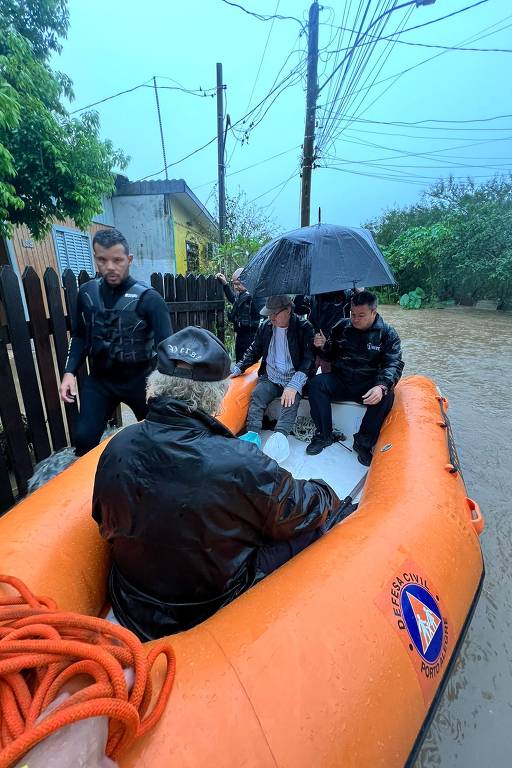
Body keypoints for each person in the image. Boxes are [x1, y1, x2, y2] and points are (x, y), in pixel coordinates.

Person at [92, 326, 341, 640]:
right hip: (206, 607)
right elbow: (303, 508)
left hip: (129, 601)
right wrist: (326, 490)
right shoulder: (242, 463)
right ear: (217, 393)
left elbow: (104, 521)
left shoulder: (118, 445)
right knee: (313, 525)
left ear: (157, 383)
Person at [59, 228, 172, 456]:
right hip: (101, 381)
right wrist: (69, 372)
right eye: (102, 259)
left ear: (129, 260)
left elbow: (166, 349)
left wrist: (161, 386)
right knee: (83, 439)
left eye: (117, 260)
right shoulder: (87, 294)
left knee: (161, 439)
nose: (110, 266)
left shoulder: (150, 299)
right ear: (95, 259)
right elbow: (80, 335)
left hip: (141, 381)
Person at [306, 290, 403, 465]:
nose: (355, 319)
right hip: (341, 380)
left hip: (367, 385)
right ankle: (324, 434)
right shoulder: (341, 327)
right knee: (316, 384)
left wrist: (381, 386)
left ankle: (363, 442)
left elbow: (394, 364)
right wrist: (321, 346)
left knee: (387, 394)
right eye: (352, 314)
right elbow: (330, 354)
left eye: (361, 315)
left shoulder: (387, 334)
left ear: (374, 312)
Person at [231, 295, 315, 443]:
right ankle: (252, 434)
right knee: (257, 394)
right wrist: (239, 367)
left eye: (275, 314)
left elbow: (309, 359)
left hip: (293, 377)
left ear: (288, 310)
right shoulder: (266, 326)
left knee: (290, 400)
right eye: (269, 314)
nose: (271, 318)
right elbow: (254, 350)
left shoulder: (304, 327)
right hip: (271, 376)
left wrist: (294, 385)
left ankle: (280, 437)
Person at [215, 268, 263, 360]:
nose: (236, 287)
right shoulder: (242, 295)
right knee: (239, 361)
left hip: (251, 336)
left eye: (238, 284)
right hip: (241, 335)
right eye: (234, 284)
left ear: (247, 282)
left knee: (249, 362)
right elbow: (233, 299)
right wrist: (225, 285)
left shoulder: (254, 296)